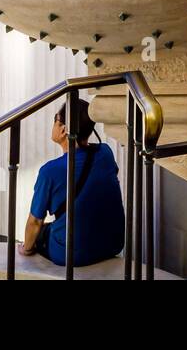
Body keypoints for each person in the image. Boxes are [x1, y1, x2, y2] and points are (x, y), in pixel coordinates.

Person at [18, 98, 125, 267]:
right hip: (113, 244)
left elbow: (35, 222)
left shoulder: (50, 172)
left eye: (56, 119)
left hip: (72, 253)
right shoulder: (105, 152)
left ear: (64, 129)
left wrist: (26, 249)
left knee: (37, 233)